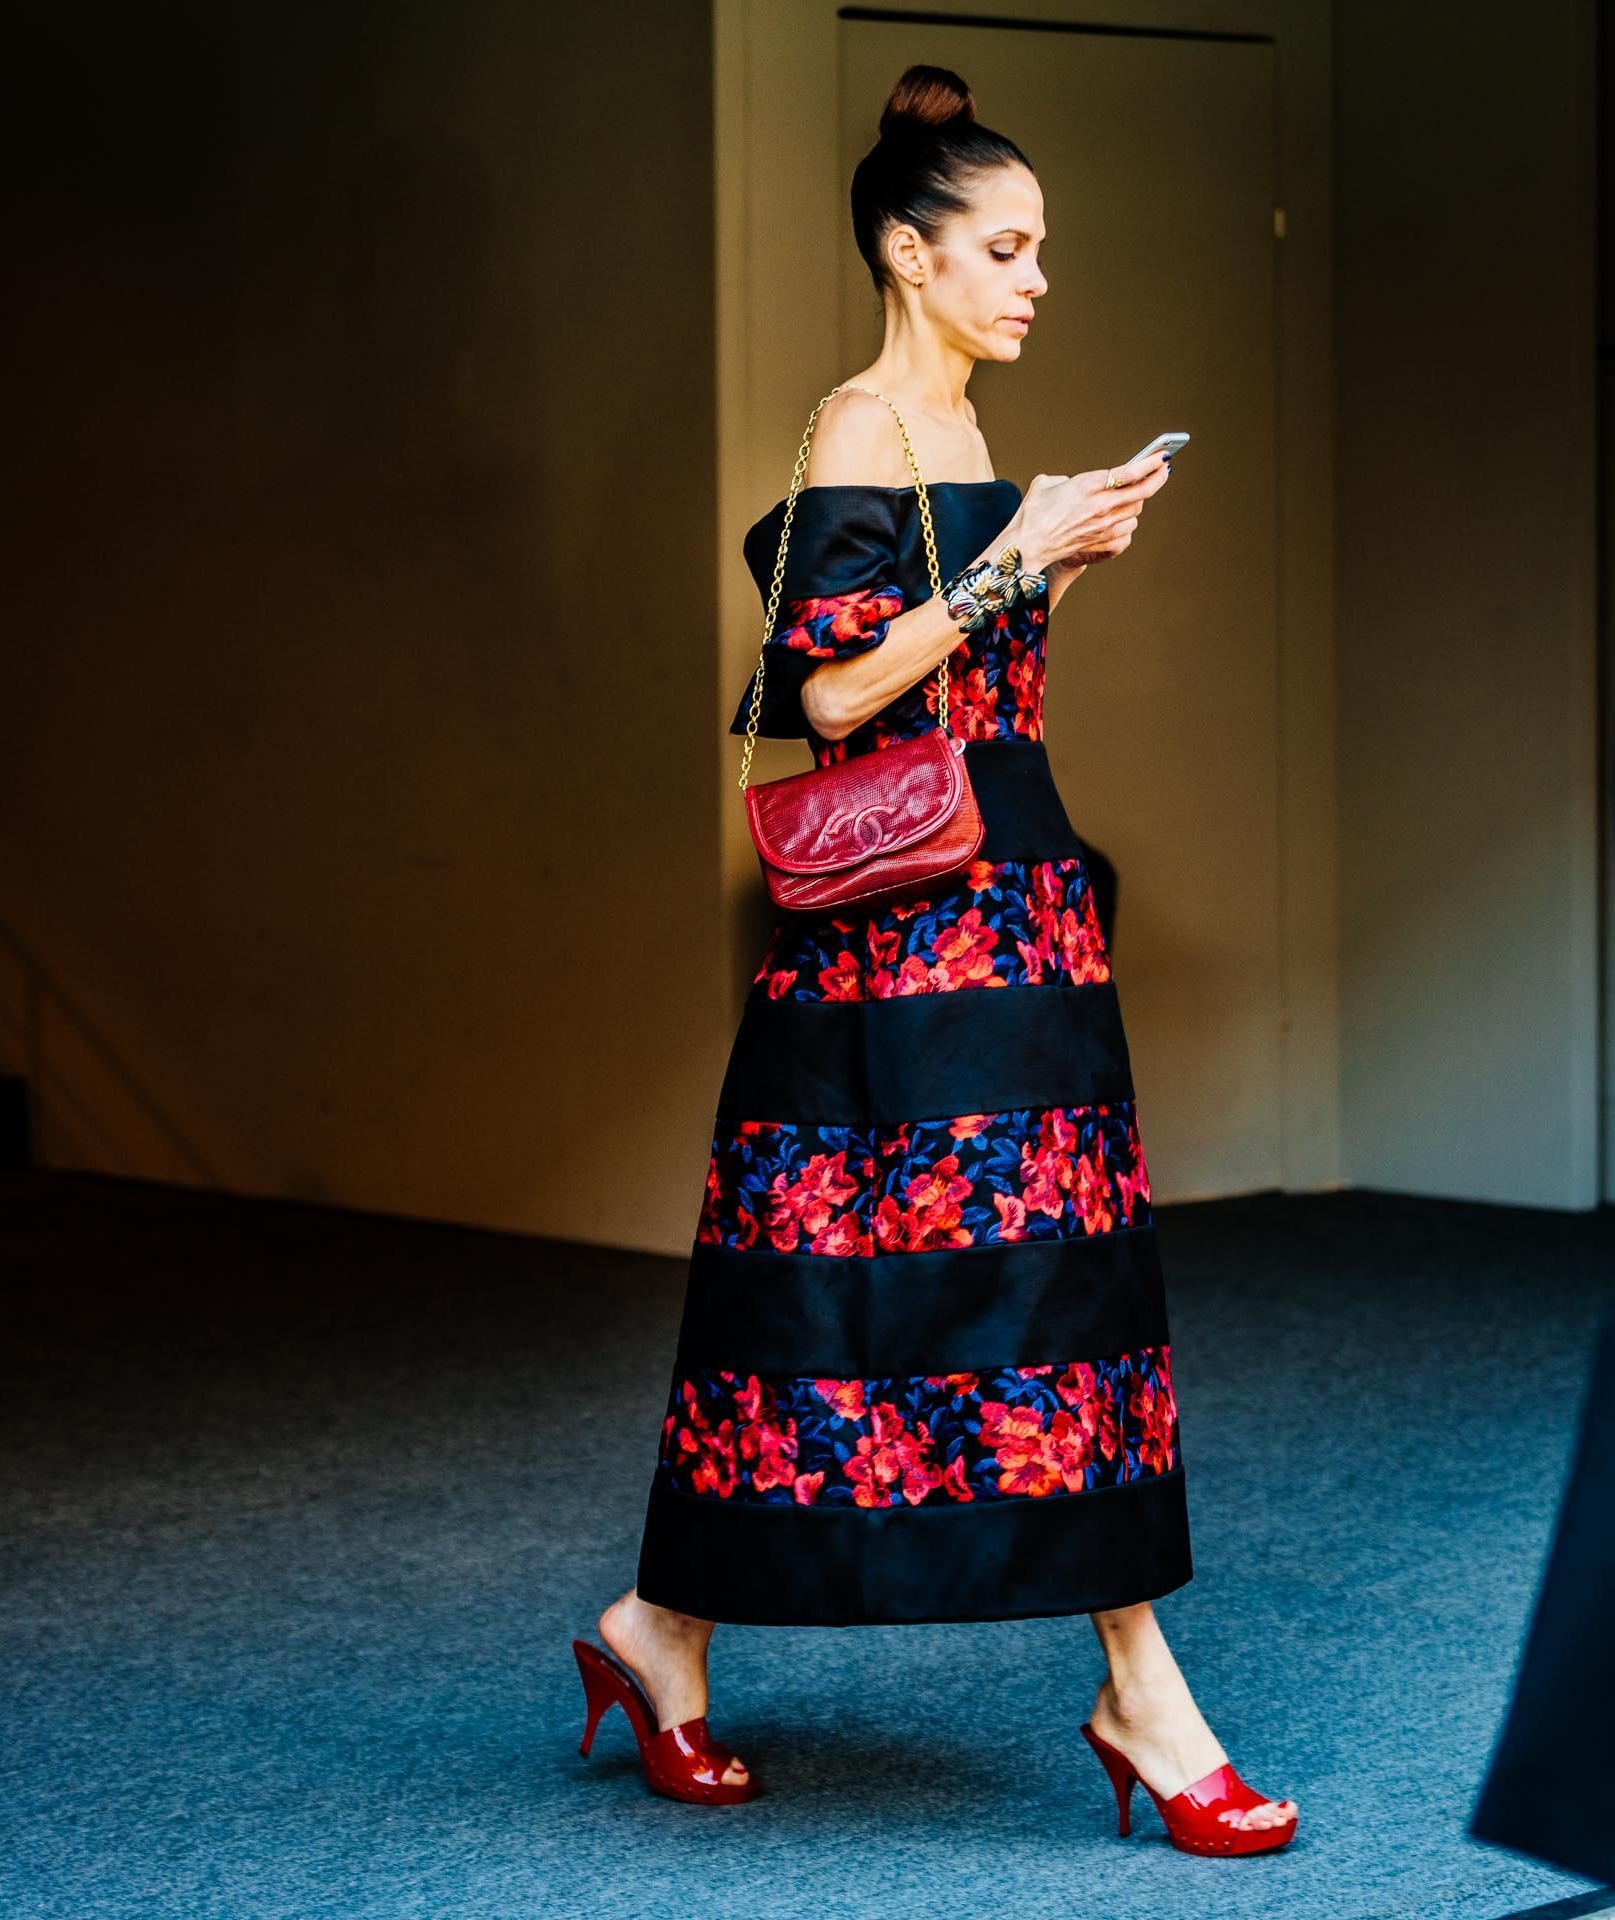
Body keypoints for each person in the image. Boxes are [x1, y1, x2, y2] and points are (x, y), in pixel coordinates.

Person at [571, 62, 1299, 1854]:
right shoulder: (853, 434)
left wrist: (1065, 549)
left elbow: (964, 679)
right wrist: (1016, 558)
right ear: (910, 257)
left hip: (1021, 915)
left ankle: (685, 1637)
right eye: (1004, 246)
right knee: (837, 1301)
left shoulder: (978, 444)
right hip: (895, 952)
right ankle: (699, 1633)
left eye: (1043, 248)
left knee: (1055, 1289)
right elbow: (824, 695)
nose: (1036, 277)